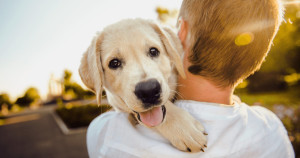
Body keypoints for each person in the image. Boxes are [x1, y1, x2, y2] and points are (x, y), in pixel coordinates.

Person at [86, 0, 295, 157]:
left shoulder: (107, 135)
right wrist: (167, 117)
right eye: (115, 63)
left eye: (153, 51)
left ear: (181, 33)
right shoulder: (272, 131)